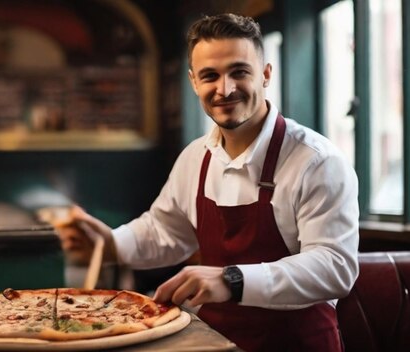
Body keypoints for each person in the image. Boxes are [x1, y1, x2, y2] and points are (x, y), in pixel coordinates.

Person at [56, 13, 359, 351]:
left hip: (299, 342)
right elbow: (164, 231)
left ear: (266, 75)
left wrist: (233, 279)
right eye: (210, 76)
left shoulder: (317, 160)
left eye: (239, 72)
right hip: (213, 341)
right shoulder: (195, 157)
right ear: (194, 82)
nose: (224, 89)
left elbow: (335, 267)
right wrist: (111, 243)